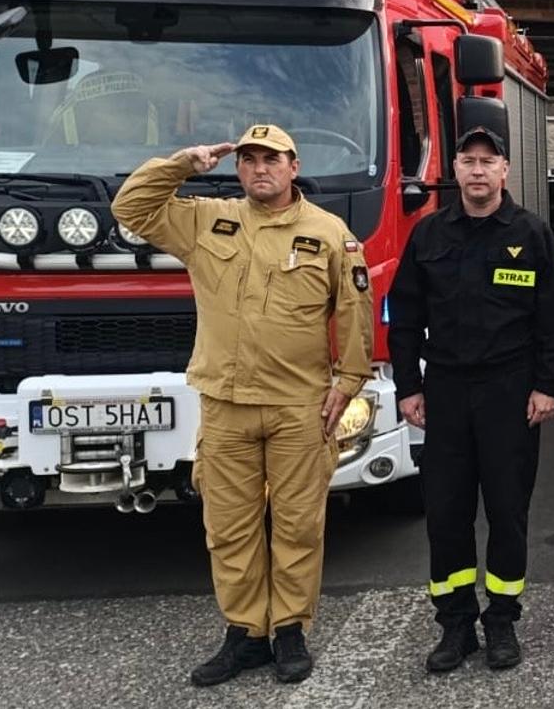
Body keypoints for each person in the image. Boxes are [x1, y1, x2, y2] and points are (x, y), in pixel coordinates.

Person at [111, 125, 371, 686]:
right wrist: (183, 164)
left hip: (298, 406)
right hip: (225, 404)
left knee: (298, 526)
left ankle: (290, 630)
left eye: (271, 159)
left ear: (294, 167)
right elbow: (130, 208)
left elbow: (353, 312)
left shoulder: (329, 233)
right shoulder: (207, 219)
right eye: (249, 159)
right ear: (239, 168)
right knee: (229, 526)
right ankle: (246, 633)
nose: (260, 169)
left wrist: (350, 380)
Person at [388, 126, 554, 672]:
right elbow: (404, 318)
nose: (477, 170)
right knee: (446, 513)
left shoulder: (531, 234)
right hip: (446, 392)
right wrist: (409, 386)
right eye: (468, 161)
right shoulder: (429, 235)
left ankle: (501, 622)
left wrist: (548, 386)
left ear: (504, 171)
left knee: (507, 511)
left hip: (509, 393)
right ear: (455, 169)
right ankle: (455, 626)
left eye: (487, 161)